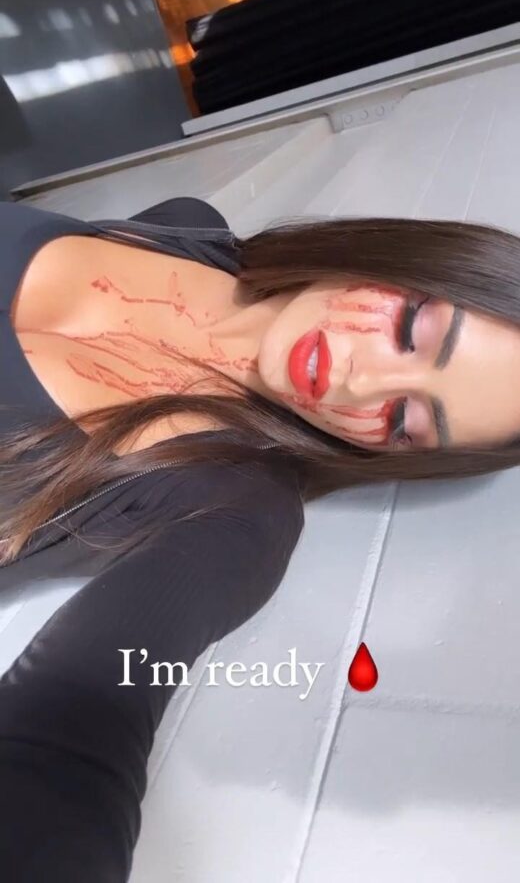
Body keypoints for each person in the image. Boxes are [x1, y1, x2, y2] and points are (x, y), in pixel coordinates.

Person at [1, 196, 520, 881]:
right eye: (409, 328)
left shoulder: (238, 514)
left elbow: (71, 736)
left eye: (403, 419)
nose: (361, 381)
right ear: (396, 258)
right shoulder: (187, 227)